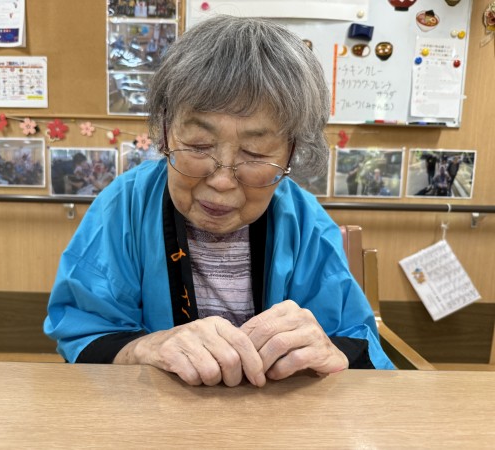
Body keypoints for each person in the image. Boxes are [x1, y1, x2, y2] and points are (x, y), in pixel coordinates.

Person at [44, 15, 394, 387]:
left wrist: (330, 352)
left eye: (256, 154)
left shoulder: (307, 224)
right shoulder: (124, 208)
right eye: (199, 146)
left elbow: (358, 343)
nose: (222, 181)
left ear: (292, 152)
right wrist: (147, 347)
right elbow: (83, 335)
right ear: (165, 131)